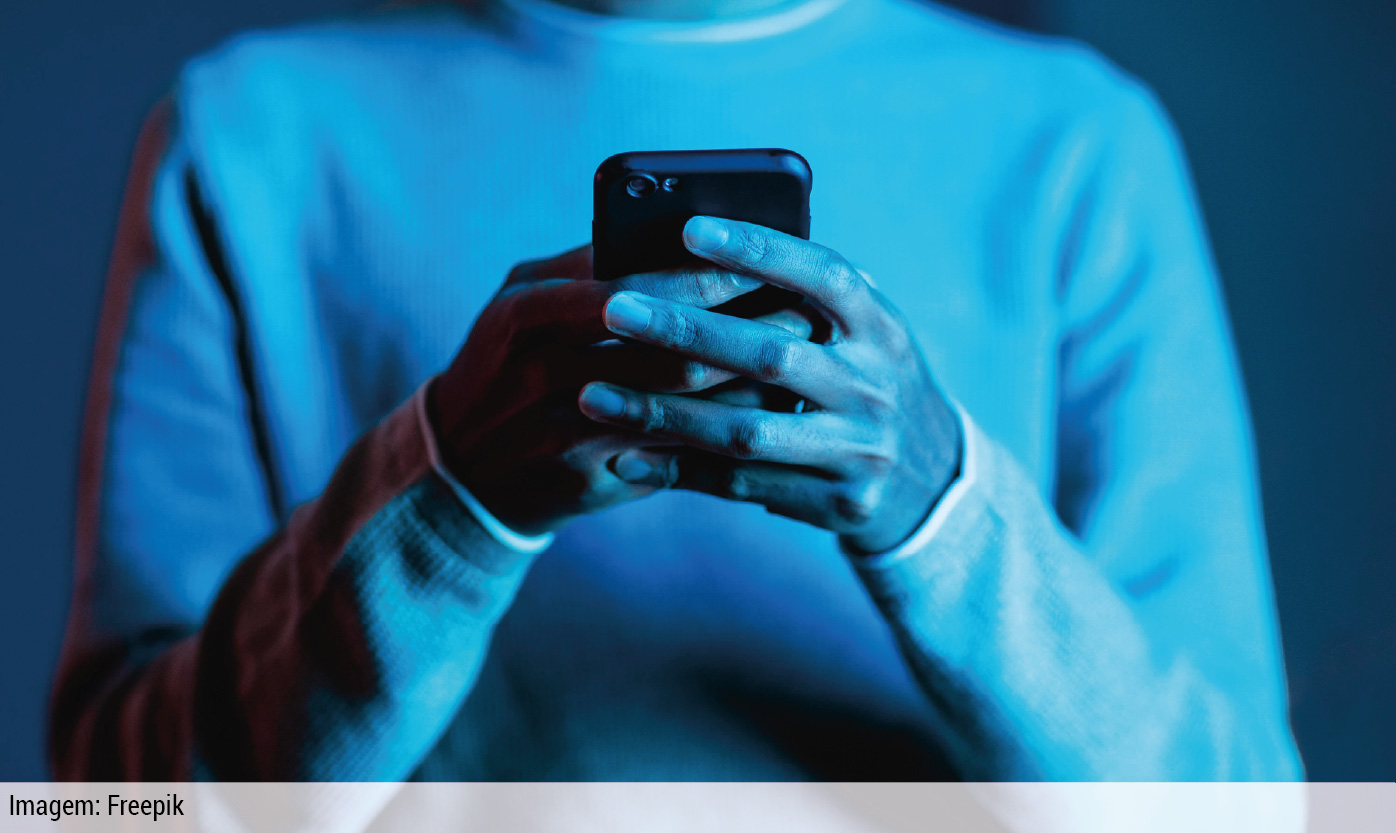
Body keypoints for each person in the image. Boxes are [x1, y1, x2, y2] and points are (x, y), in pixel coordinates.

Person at [53, 0, 1303, 799]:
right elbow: (112, 805)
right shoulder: (251, 132)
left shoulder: (1075, 140)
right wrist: (444, 498)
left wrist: (944, 511)